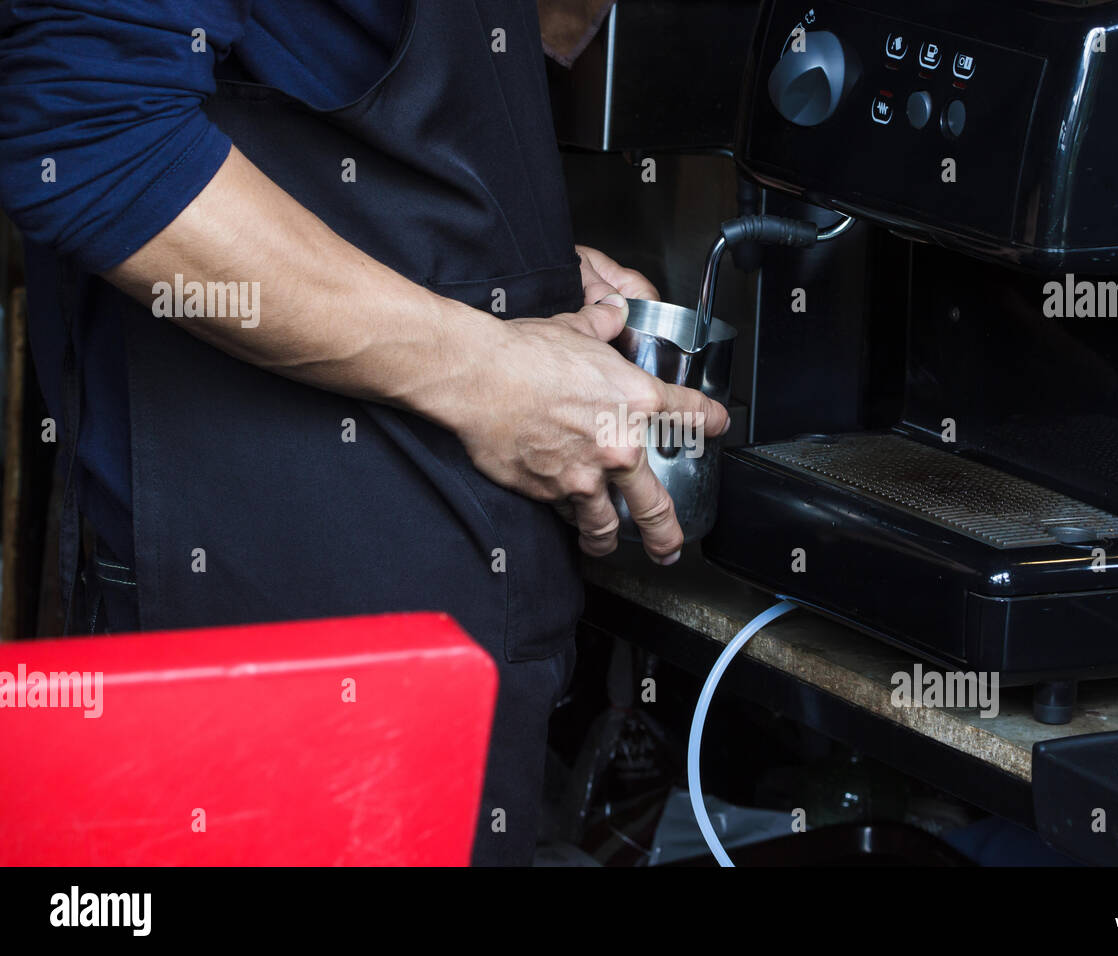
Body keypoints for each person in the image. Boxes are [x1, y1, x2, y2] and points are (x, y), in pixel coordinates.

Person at [0, 0, 727, 865]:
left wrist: (519, 265)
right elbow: (89, 132)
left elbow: (315, 85)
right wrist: (481, 370)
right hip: (281, 625)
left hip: (445, 622)